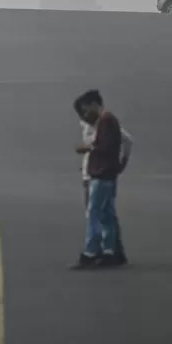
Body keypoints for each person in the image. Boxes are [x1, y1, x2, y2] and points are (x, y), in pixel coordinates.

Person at [71, 89, 125, 270]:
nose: (85, 115)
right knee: (107, 215)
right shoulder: (107, 121)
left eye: (87, 110)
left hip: (101, 174)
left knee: (94, 214)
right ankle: (109, 250)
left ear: (95, 104)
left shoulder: (106, 121)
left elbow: (105, 146)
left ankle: (91, 252)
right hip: (107, 174)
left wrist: (87, 148)